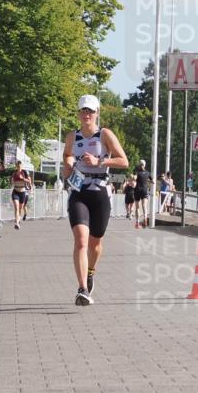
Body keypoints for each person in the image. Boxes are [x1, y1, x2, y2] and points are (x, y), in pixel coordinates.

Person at [63, 94, 128, 305]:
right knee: (81, 240)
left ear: (97, 113)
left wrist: (100, 161)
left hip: (100, 191)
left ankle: (90, 271)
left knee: (95, 242)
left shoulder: (105, 135)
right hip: (78, 192)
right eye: (83, 111)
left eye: (90, 111)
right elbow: (66, 155)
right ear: (79, 113)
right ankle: (82, 289)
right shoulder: (72, 136)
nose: (87, 115)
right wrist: (69, 165)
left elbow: (124, 161)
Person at [11, 161, 32, 229]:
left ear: (22, 166)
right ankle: (16, 223)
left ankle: (18, 220)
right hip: (15, 191)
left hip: (22, 192)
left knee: (20, 209)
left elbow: (29, 181)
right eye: (17, 166)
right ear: (16, 166)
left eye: (20, 166)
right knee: (16, 208)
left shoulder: (25, 172)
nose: (19, 167)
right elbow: (11, 182)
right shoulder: (14, 173)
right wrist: (13, 181)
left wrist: (23, 179)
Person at [134, 160, 152, 227]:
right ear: (145, 165)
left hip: (137, 190)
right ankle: (145, 219)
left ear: (139, 165)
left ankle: (137, 222)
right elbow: (152, 181)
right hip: (144, 190)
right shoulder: (148, 173)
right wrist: (147, 180)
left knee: (137, 207)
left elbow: (134, 178)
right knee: (144, 205)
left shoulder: (137, 172)